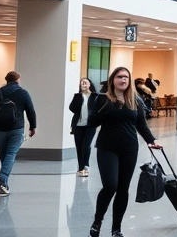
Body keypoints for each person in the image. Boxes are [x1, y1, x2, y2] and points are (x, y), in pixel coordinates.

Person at [88, 67, 161, 237]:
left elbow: (141, 125)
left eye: (126, 78)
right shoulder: (103, 100)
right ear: (113, 80)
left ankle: (116, 229)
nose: (123, 80)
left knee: (123, 188)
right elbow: (92, 121)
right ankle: (98, 220)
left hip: (129, 148)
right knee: (110, 186)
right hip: (107, 148)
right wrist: (105, 109)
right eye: (120, 77)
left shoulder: (134, 100)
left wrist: (152, 141)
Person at [0, 71, 37, 195]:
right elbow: (31, 111)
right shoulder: (23, 92)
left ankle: (3, 183)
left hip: (0, 129)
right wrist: (33, 127)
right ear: (17, 79)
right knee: (11, 154)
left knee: (4, 155)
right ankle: (3, 179)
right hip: (16, 127)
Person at [69, 78, 99, 177]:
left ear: (90, 84)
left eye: (85, 82)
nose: (83, 83)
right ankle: (81, 167)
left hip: (90, 125)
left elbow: (98, 109)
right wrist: (80, 97)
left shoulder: (95, 96)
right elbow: (72, 108)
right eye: (82, 82)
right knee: (79, 146)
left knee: (86, 145)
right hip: (78, 125)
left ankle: (85, 165)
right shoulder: (77, 96)